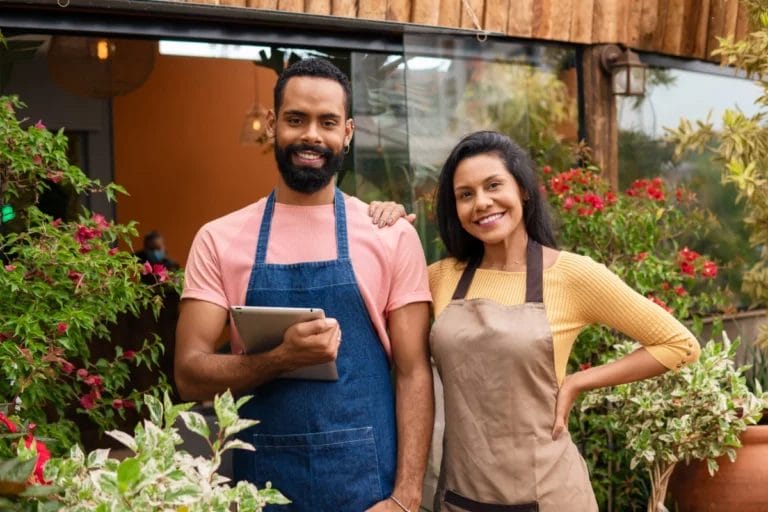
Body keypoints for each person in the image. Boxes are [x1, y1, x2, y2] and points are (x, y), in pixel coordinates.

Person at [374, 131, 700, 511]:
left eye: (494, 185)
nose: (481, 203)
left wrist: (579, 381)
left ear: (524, 190)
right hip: (461, 497)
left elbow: (680, 345)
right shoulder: (439, 277)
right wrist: (387, 222)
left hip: (552, 496)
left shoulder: (572, 276)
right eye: (465, 195)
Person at [174, 58, 434, 512]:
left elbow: (414, 372)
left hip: (371, 491)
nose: (312, 135)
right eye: (296, 119)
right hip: (262, 491)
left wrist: (407, 498)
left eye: (327, 122)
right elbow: (189, 375)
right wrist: (280, 359)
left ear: (347, 133)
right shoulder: (218, 239)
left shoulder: (390, 235)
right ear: (273, 124)